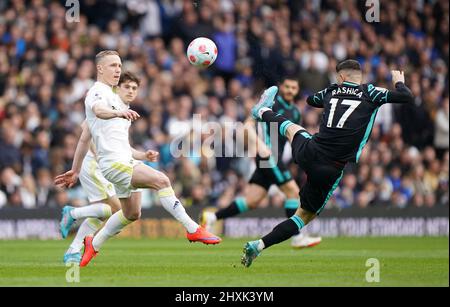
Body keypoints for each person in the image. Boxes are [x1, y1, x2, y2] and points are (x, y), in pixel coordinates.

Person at [55, 51, 221, 267]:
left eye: (119, 65)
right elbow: (99, 110)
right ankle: (193, 229)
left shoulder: (117, 100)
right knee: (162, 181)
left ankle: (93, 245)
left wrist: (75, 170)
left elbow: (85, 138)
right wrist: (117, 113)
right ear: (100, 69)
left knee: (132, 213)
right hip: (114, 165)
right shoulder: (97, 93)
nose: (117, 69)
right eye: (113, 65)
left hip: (122, 160)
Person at [241, 60, 414, 267]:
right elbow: (406, 97)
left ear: (341, 77)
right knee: (302, 217)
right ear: (359, 76)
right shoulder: (371, 92)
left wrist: (334, 89)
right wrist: (398, 82)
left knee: (294, 130)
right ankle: (258, 246)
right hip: (331, 168)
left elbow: (311, 100)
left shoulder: (332, 92)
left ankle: (262, 112)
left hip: (311, 151)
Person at [200, 77, 322, 248]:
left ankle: (212, 217)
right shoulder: (269, 102)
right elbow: (247, 125)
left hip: (275, 158)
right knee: (293, 192)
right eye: (287, 86)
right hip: (268, 156)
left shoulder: (295, 112)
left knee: (252, 200)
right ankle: (297, 237)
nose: (290, 90)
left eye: (294, 88)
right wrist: (259, 145)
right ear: (281, 86)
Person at [59, 72, 158, 265]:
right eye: (126, 86)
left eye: (134, 88)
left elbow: (123, 147)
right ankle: (72, 215)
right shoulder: (105, 101)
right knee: (116, 211)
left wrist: (143, 156)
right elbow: (87, 129)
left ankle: (73, 250)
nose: (130, 91)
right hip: (94, 162)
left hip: (110, 163)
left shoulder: (124, 110)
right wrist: (98, 157)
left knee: (111, 213)